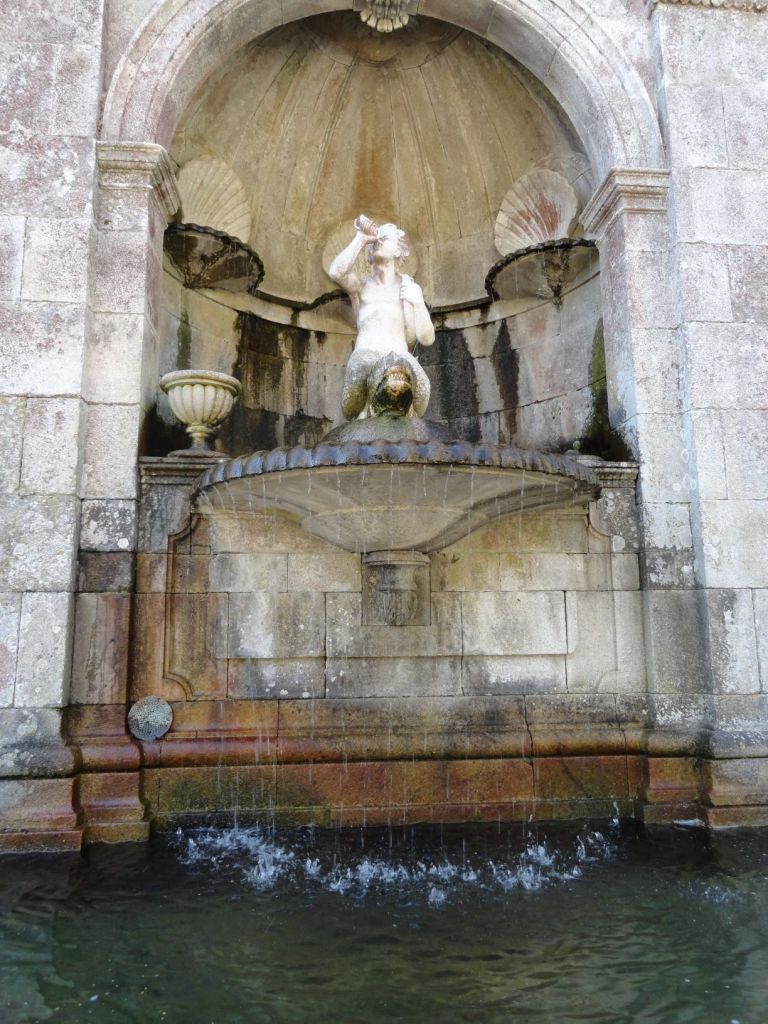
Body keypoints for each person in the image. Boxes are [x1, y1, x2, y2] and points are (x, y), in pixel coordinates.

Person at [328, 215, 435, 419]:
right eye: (374, 241)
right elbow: (336, 272)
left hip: (400, 359)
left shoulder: (408, 287)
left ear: (398, 251)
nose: (377, 241)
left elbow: (425, 339)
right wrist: (361, 238)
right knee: (360, 380)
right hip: (364, 359)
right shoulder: (360, 287)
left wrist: (418, 302)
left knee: (421, 386)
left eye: (384, 238)